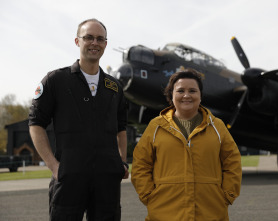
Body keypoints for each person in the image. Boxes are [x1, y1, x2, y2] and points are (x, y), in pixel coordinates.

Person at [28, 18, 129, 220]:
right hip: (68, 177)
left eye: (100, 39)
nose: (95, 43)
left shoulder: (114, 87)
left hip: (107, 180)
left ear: (105, 44)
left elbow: (121, 128)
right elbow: (35, 123)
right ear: (77, 41)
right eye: (89, 37)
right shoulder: (56, 80)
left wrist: (122, 162)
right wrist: (53, 165)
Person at [131, 69, 242, 220]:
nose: (186, 95)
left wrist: (227, 195)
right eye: (180, 90)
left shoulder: (217, 126)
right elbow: (140, 165)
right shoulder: (155, 127)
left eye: (192, 91)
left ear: (200, 96)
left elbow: (232, 162)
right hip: (164, 214)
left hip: (211, 213)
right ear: (172, 95)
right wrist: (149, 196)